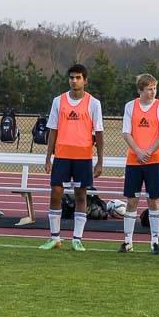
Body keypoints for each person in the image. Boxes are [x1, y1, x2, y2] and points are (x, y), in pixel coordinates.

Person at [40, 64, 104, 252]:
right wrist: (48, 157)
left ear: (85, 80)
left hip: (83, 157)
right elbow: (53, 130)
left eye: (77, 77)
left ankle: (77, 238)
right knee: (56, 193)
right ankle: (55, 238)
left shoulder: (94, 103)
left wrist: (100, 161)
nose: (73, 81)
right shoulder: (58, 101)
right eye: (71, 77)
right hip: (62, 156)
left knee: (81, 196)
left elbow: (99, 133)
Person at [120, 73, 159, 255]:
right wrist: (138, 152)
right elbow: (126, 133)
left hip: (154, 161)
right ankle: (127, 242)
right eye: (149, 89)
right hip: (134, 161)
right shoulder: (130, 106)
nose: (153, 92)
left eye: (154, 88)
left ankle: (155, 242)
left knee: (153, 201)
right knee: (132, 201)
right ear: (140, 90)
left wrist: (149, 151)